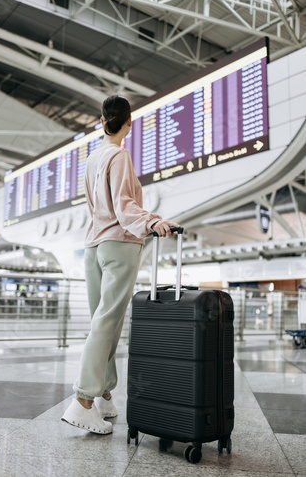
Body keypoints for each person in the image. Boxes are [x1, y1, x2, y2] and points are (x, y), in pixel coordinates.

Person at [62, 95, 180, 435]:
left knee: (104, 322)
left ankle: (105, 396)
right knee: (108, 321)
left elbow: (100, 206)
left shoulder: (92, 159)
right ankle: (84, 401)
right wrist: (153, 222)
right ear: (129, 123)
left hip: (93, 247)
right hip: (119, 245)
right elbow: (126, 208)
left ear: (101, 122)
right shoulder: (120, 156)